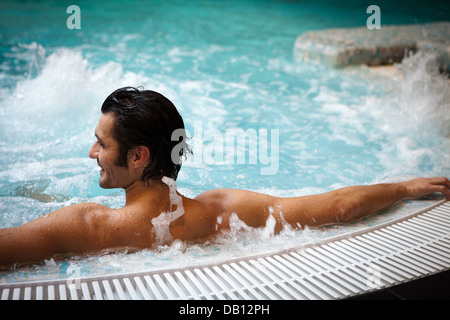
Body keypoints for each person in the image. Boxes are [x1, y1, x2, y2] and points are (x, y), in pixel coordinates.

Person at [1, 87, 449, 269]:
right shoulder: (221, 213)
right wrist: (406, 187)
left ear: (139, 156)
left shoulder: (87, 226)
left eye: (102, 143)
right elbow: (338, 208)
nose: (92, 153)